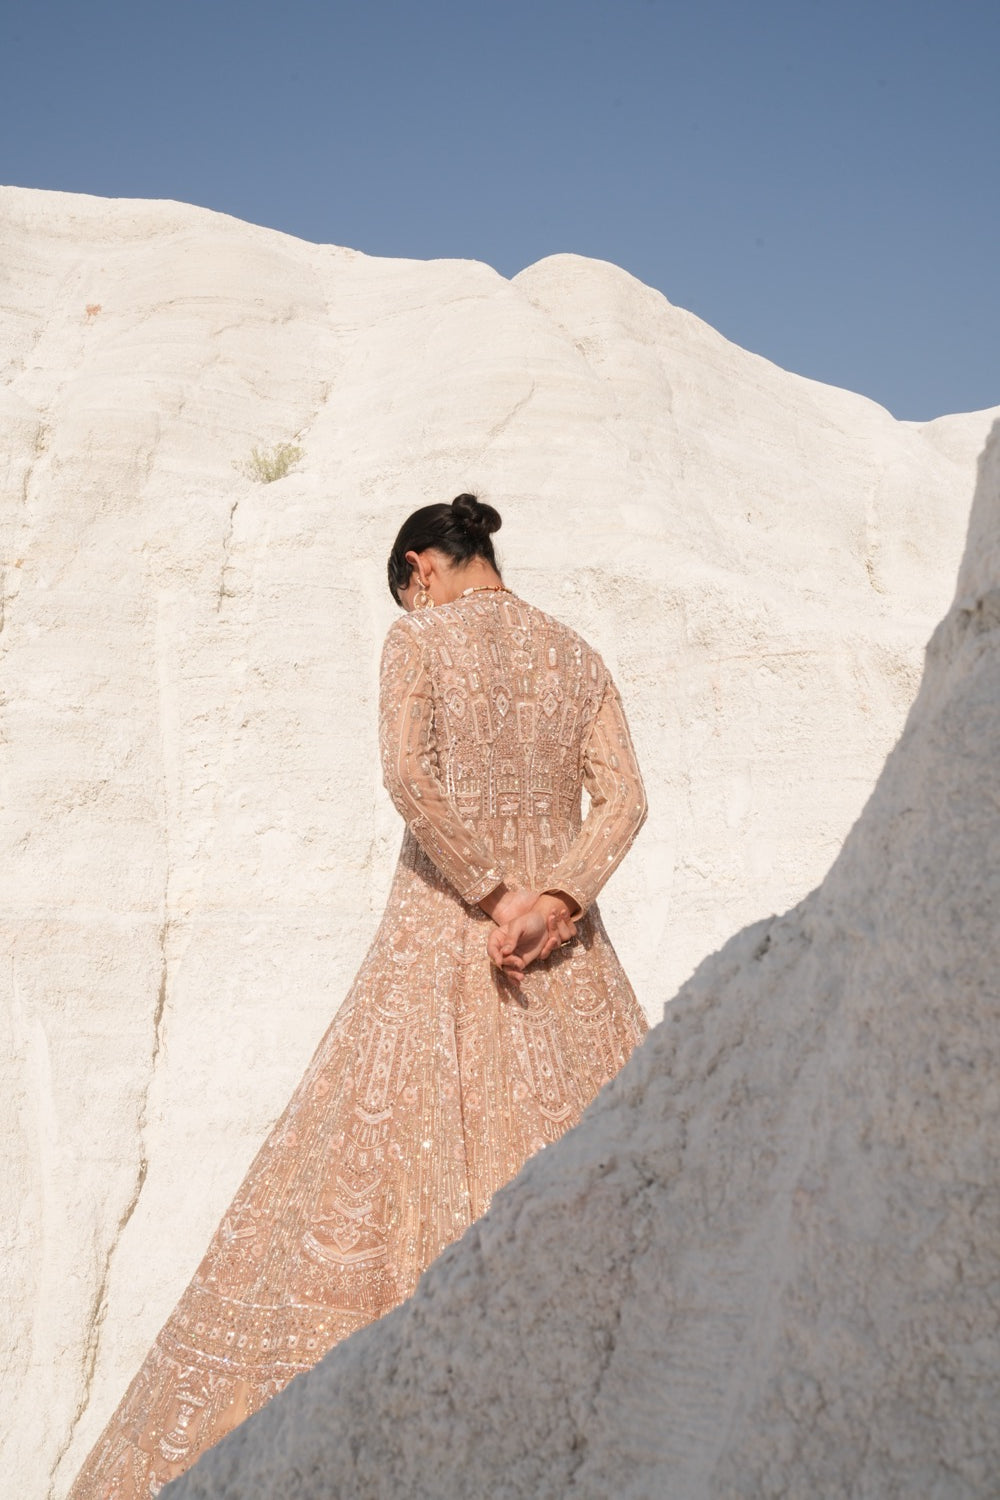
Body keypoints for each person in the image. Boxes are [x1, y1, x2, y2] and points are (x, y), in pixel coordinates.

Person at [67, 493, 648, 1498]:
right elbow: (628, 799)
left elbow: (408, 778)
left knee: (375, 1177)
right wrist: (555, 899)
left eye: (407, 588)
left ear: (422, 567)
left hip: (444, 937)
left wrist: (492, 892)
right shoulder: (579, 654)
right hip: (565, 956)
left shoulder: (415, 642)